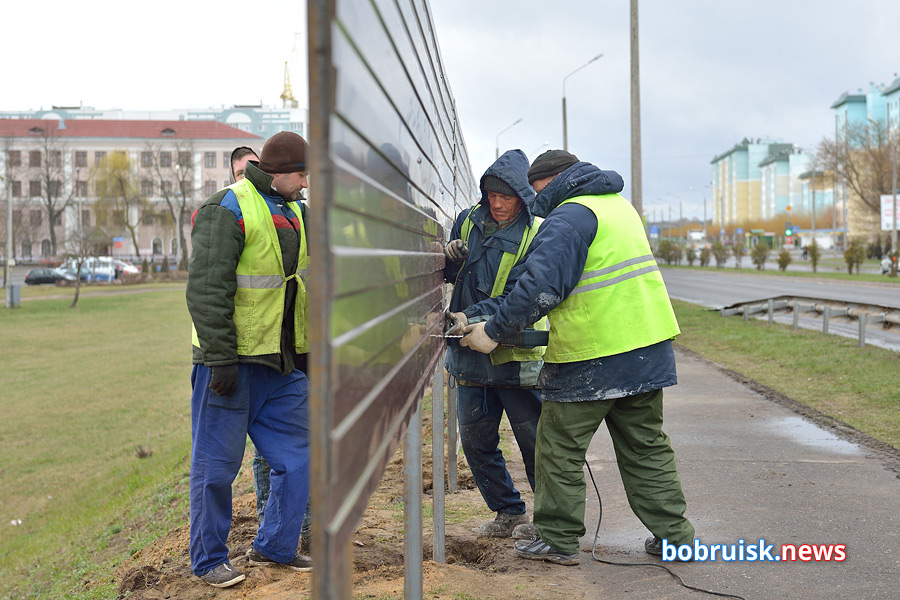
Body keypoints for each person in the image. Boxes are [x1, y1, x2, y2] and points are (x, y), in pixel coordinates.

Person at [459, 149, 695, 566]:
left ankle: (557, 537)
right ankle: (675, 536)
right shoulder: (619, 208)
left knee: (558, 445)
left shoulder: (569, 218)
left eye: (536, 190)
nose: (536, 199)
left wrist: (493, 332)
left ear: (553, 182)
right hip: (648, 349)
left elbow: (540, 289)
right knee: (646, 447)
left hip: (594, 355)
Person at [186, 131, 312, 587]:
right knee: (216, 468)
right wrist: (219, 358)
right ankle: (207, 560)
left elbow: (297, 288)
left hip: (280, 369)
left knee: (301, 458)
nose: (305, 183)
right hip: (229, 367)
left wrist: (305, 354)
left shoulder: (295, 211)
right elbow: (206, 290)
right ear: (280, 173)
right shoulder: (226, 208)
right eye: (301, 175)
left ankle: (276, 545)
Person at [443, 149, 545, 538]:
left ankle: (551, 519)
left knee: (534, 443)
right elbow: (450, 275)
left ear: (522, 195)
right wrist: (450, 258)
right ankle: (508, 511)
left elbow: (520, 295)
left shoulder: (536, 233)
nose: (498, 204)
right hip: (469, 354)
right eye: (492, 196)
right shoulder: (468, 220)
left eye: (507, 197)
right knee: (475, 440)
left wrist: (471, 316)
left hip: (515, 355)